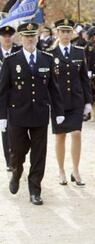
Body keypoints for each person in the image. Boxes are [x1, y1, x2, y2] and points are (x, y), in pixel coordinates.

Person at [0, 22, 64, 205]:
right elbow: (3, 90)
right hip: (17, 114)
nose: (30, 39)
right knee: (18, 151)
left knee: (39, 154)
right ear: (20, 38)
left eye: (33, 36)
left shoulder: (46, 59)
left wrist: (58, 111)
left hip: (39, 113)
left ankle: (35, 190)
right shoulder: (11, 61)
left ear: (37, 37)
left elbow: (53, 88)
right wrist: (2, 116)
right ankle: (16, 170)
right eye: (26, 36)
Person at [49, 19, 93, 186]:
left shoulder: (78, 52)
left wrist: (88, 101)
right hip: (58, 103)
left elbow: (84, 79)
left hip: (76, 100)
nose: (66, 35)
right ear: (58, 33)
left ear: (72, 33)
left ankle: (75, 169)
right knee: (60, 137)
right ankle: (61, 170)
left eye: (68, 32)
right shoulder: (50, 54)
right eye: (63, 32)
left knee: (76, 134)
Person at [0, 25, 20, 172]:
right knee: (4, 127)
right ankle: (10, 161)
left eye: (9, 35)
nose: (7, 38)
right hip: (1, 96)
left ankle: (18, 156)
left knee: (17, 128)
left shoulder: (18, 51)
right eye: (4, 35)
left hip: (16, 94)